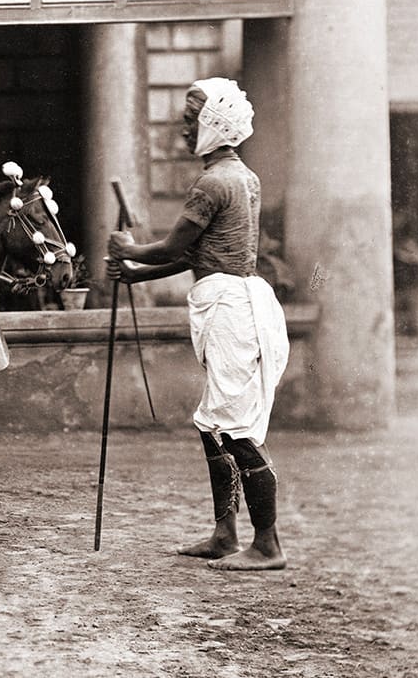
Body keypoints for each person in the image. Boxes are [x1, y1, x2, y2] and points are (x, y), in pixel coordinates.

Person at [108, 78, 290, 571]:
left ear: (216, 124)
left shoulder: (214, 182)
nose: (184, 130)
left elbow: (172, 248)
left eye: (192, 120)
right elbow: (196, 254)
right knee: (213, 424)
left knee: (233, 428)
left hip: (231, 307)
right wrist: (136, 270)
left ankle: (268, 545)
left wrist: (130, 252)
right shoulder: (240, 176)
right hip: (228, 301)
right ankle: (225, 533)